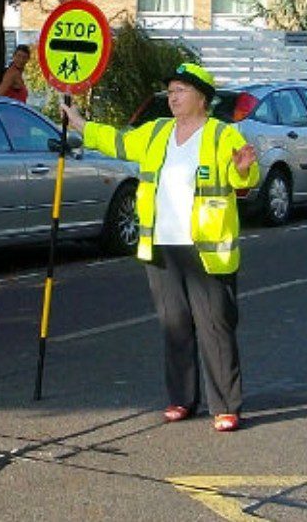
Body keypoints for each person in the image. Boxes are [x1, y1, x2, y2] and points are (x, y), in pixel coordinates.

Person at [61, 63, 258, 433]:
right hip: (162, 245)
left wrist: (245, 169)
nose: (172, 97)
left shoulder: (222, 135)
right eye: (170, 91)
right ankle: (182, 399)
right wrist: (80, 124)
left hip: (206, 249)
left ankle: (226, 406)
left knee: (215, 326)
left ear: (202, 98)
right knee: (175, 325)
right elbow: (118, 141)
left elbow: (242, 176)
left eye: (181, 90)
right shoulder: (156, 133)